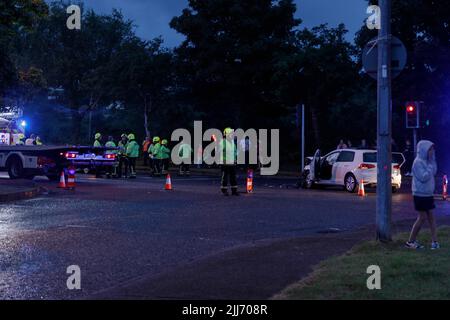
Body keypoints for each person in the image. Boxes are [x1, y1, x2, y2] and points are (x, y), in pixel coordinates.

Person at [405, 140, 439, 250]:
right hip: (420, 194)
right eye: (430, 149)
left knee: (431, 217)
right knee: (422, 217)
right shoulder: (418, 162)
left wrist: (432, 162)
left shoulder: (428, 161)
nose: (432, 152)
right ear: (424, 150)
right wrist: (429, 167)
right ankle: (410, 241)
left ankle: (435, 242)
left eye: (432, 149)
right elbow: (423, 177)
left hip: (428, 194)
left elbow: (434, 172)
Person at [220, 127, 238, 196]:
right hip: (225, 163)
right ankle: (224, 191)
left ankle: (234, 191)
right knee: (225, 177)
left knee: (233, 177)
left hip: (232, 163)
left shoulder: (233, 143)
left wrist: (235, 160)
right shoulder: (223, 142)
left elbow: (235, 152)